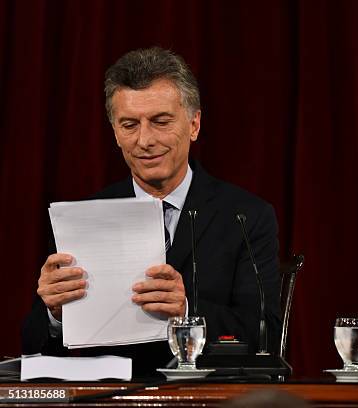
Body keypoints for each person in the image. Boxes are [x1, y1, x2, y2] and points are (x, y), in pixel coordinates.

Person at [22, 47, 281, 376]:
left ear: (194, 124)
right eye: (130, 124)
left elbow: (264, 335)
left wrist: (186, 312)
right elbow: (32, 345)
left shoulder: (245, 217)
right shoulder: (83, 218)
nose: (145, 140)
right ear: (116, 133)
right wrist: (55, 314)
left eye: (160, 122)